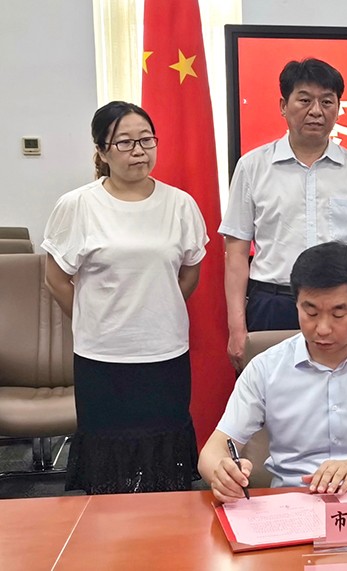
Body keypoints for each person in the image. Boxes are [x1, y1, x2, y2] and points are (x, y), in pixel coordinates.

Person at [42, 101, 208, 493]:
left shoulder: (180, 204)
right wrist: (94, 318)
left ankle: (166, 524)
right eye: (125, 142)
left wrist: (157, 307)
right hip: (103, 357)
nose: (138, 151)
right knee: (108, 455)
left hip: (164, 352)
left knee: (164, 451)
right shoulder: (78, 205)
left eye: (146, 140)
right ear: (101, 151)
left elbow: (189, 272)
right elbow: (56, 280)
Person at [199, 242, 347, 502]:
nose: (322, 328)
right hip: (292, 501)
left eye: (338, 314)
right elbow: (213, 450)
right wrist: (222, 474)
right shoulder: (266, 367)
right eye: (310, 312)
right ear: (297, 304)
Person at [220, 58, 347, 371]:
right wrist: (236, 327)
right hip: (273, 304)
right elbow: (236, 252)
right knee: (271, 395)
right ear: (283, 106)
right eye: (304, 100)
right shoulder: (252, 167)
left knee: (342, 394)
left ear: (338, 107)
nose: (316, 111)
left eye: (327, 101)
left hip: (341, 306)